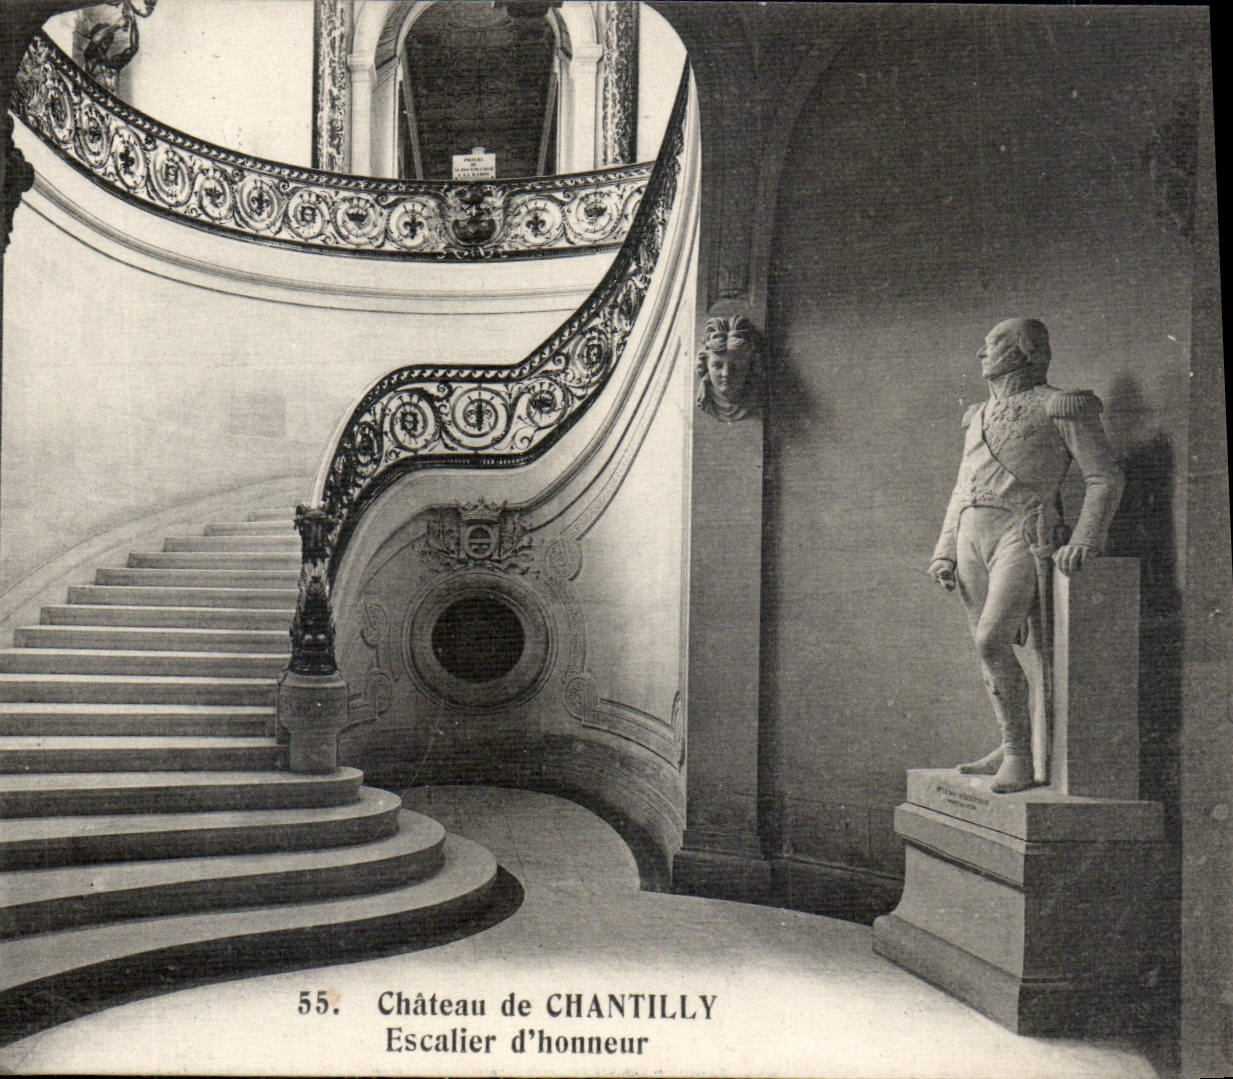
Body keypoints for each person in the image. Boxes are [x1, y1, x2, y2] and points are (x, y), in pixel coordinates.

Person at [929, 318, 1124, 792]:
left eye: (993, 343)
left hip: (1023, 531)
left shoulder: (1060, 406)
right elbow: (962, 486)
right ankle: (1012, 740)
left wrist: (1083, 538)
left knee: (991, 641)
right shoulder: (976, 415)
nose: (982, 352)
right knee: (988, 650)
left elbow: (1104, 478)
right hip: (973, 534)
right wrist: (945, 550)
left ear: (1026, 351)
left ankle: (1020, 754)